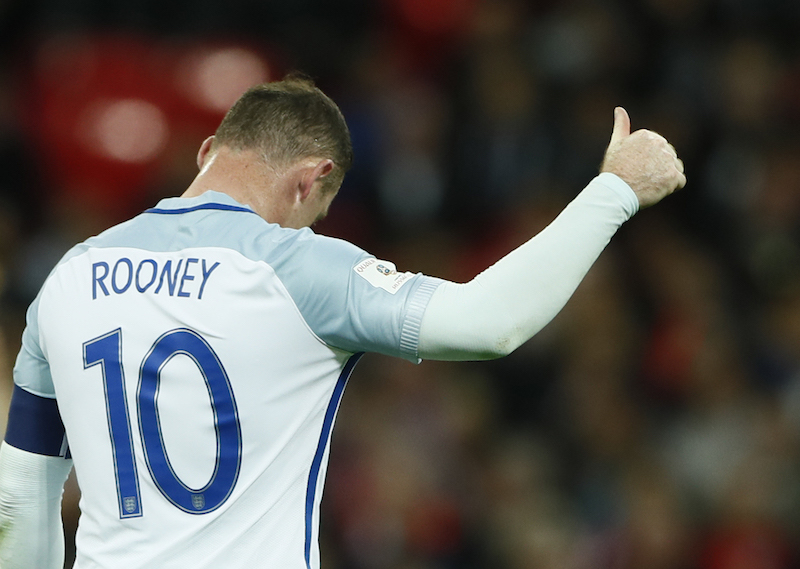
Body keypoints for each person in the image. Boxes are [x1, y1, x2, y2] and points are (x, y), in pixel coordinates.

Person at [0, 73, 685, 569]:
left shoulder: (67, 278)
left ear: (210, 149)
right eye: (316, 208)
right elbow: (490, 322)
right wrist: (617, 189)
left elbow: (23, 502)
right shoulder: (296, 267)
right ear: (310, 179)